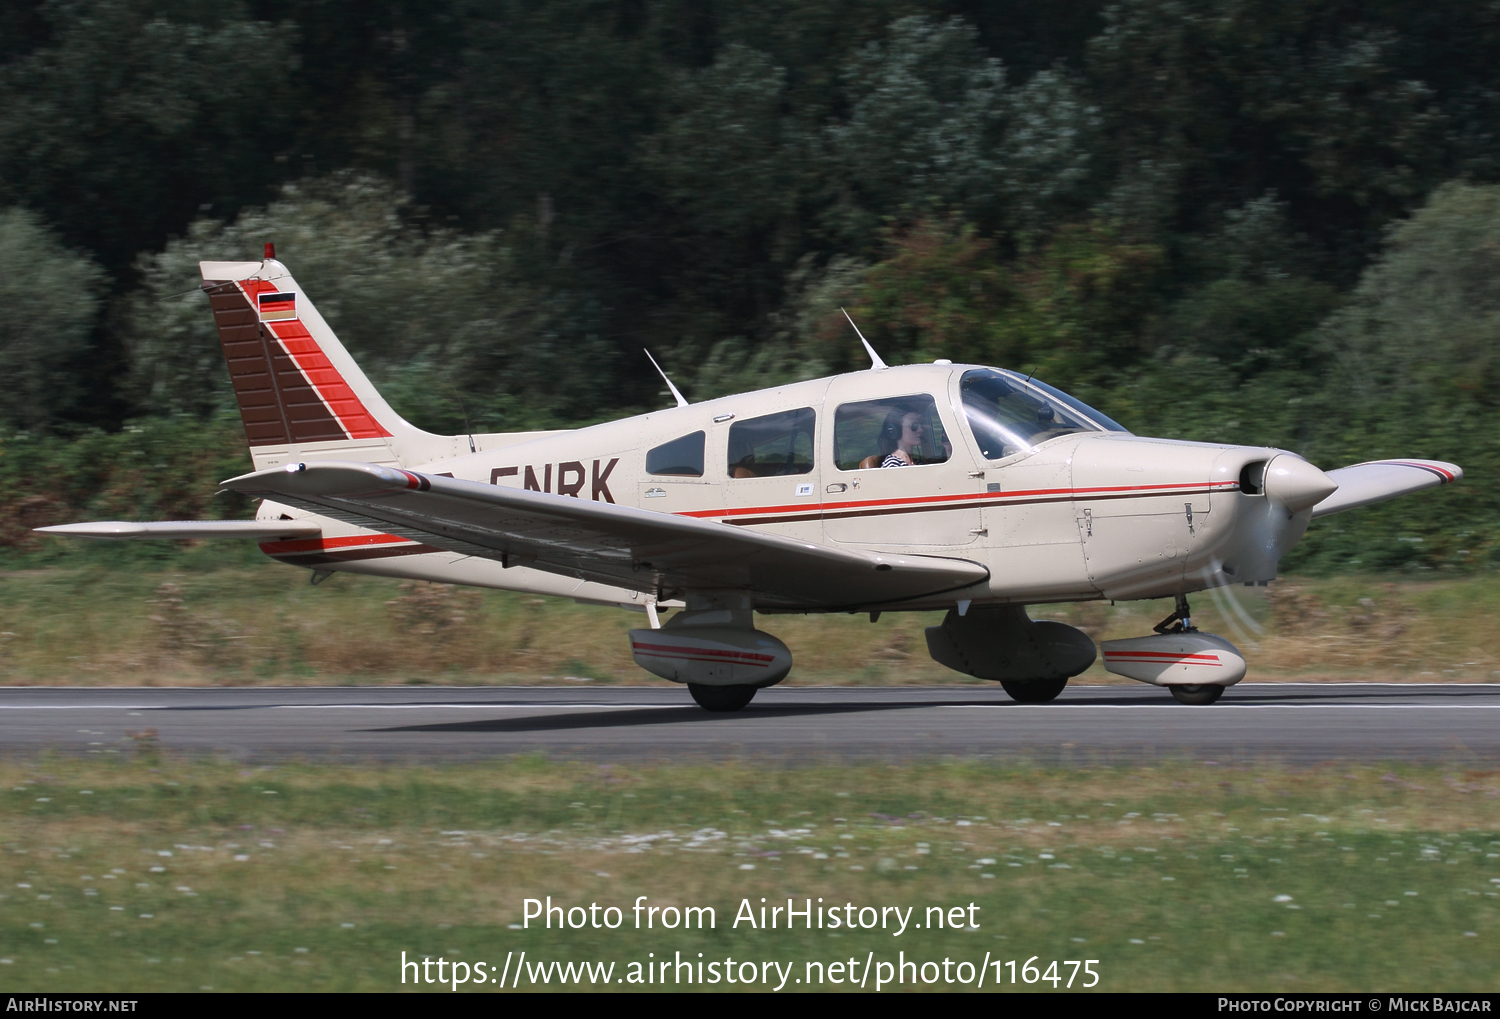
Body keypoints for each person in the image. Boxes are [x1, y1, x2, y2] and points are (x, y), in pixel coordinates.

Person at [877, 405, 946, 467]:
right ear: (896, 430)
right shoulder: (892, 464)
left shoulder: (918, 462)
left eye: (921, 425)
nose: (920, 430)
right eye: (914, 426)